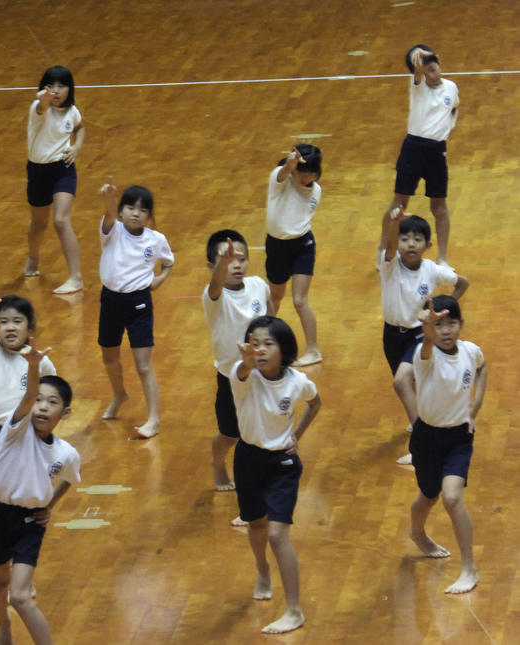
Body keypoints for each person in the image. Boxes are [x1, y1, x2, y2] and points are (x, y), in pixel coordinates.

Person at [0, 337, 80, 645]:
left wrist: (50, 505)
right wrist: (34, 366)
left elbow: (70, 478)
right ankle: (3, 626)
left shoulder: (66, 453)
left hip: (29, 524)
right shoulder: (16, 428)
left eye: (53, 402)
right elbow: (28, 394)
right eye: (40, 400)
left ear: (65, 413)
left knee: (20, 595)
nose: (43, 406)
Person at [232, 316, 321, 634]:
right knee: (256, 525)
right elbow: (242, 371)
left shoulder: (297, 381)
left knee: (276, 534)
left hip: (283, 464)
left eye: (269, 343)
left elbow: (314, 403)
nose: (261, 350)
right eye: (255, 344)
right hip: (247, 460)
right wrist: (245, 362)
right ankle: (262, 569)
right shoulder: (243, 376)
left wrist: (297, 435)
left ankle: (294, 611)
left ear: (284, 349)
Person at [408, 296, 486, 594]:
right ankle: (417, 532)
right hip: (427, 438)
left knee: (452, 498)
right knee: (428, 495)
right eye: (438, 324)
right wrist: (427, 333)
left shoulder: (470, 351)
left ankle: (469, 568)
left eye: (451, 323)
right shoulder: (424, 356)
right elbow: (427, 345)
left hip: (459, 438)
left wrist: (475, 404)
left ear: (461, 325)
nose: (445, 330)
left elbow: (482, 366)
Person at [379, 208, 468, 464]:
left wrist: (441, 313)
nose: (410, 244)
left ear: (428, 245)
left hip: (419, 336)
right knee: (414, 384)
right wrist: (392, 224)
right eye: (405, 238)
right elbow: (387, 244)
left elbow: (463, 283)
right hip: (392, 335)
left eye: (417, 239)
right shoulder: (389, 266)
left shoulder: (431, 270)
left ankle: (423, 445)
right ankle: (427, 422)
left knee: (401, 382)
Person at [98, 183, 174, 439]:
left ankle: (154, 419)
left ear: (149, 216)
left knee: (143, 365)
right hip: (110, 301)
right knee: (109, 357)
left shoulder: (157, 239)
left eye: (142, 210)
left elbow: (168, 263)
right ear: (120, 211)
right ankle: (120, 394)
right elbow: (108, 216)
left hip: (139, 304)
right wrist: (110, 199)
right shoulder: (112, 231)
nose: (135, 213)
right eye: (130, 207)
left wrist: (159, 280)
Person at [202, 229, 274, 495]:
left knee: (262, 426)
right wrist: (222, 264)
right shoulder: (214, 298)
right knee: (230, 434)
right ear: (214, 266)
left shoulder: (258, 285)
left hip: (262, 373)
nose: (236, 265)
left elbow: (270, 317)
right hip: (230, 376)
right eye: (228, 260)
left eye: (241, 259)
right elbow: (215, 284)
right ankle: (218, 463)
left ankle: (261, 474)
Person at [378, 45, 459, 268]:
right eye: (426, 72)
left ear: (439, 63)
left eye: (434, 69)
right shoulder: (418, 86)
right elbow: (417, 75)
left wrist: (445, 131)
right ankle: (383, 250)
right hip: (413, 149)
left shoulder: (451, 87)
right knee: (399, 204)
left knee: (439, 208)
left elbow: (454, 109)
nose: (432, 76)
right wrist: (419, 66)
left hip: (436, 152)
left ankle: (442, 258)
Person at [0, 293, 57, 484]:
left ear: (30, 326)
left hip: (23, 433)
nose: (10, 327)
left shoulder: (41, 362)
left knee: (22, 487)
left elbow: (52, 396)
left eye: (18, 321)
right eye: (3, 321)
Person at [24, 65, 85, 294]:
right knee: (39, 225)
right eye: (52, 86)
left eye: (62, 86)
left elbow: (79, 128)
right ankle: (33, 258)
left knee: (61, 220)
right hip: (38, 172)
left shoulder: (72, 111)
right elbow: (41, 107)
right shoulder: (38, 108)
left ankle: (76, 277)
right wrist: (43, 100)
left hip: (64, 169)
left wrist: (76, 147)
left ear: (70, 89)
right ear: (44, 89)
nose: (57, 91)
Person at [265, 144, 323, 366]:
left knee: (300, 300)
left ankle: (313, 350)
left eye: (311, 173)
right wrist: (289, 167)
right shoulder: (279, 181)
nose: (305, 177)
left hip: (303, 245)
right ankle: (265, 343)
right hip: (277, 247)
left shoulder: (316, 191)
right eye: (301, 171)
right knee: (275, 297)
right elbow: (281, 174)